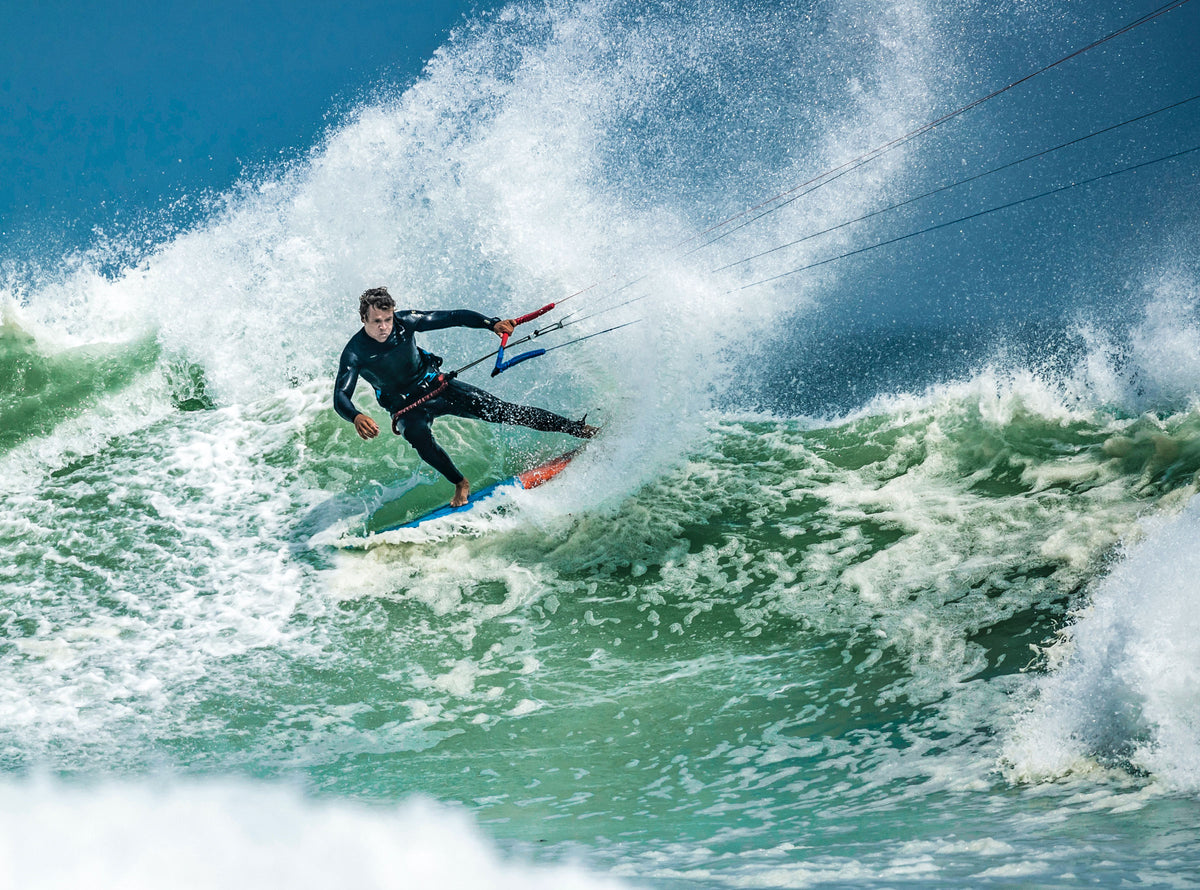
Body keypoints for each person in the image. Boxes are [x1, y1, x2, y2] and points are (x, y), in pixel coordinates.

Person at [334, 287, 597, 507]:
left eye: (387, 319)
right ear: (364, 320)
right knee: (418, 438)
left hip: (436, 386)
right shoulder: (355, 353)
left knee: (501, 410)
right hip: (406, 406)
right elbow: (340, 396)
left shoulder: (405, 322)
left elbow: (454, 317)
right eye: (376, 321)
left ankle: (579, 429)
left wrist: (491, 323)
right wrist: (355, 416)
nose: (384, 327)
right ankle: (460, 482)